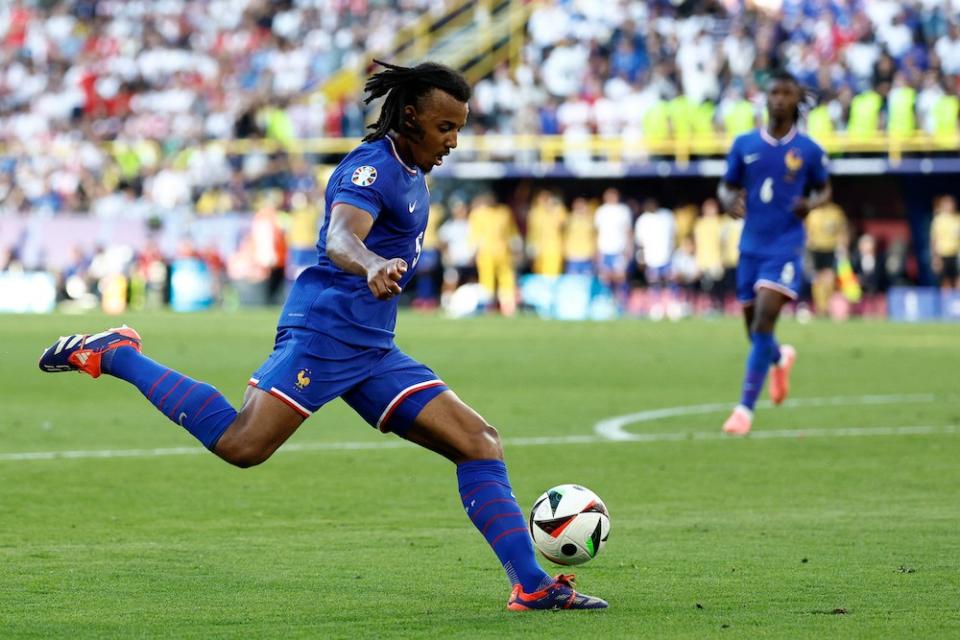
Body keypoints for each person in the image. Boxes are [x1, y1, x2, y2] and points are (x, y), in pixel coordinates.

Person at [38, 60, 606, 612]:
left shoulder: (413, 172)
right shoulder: (371, 168)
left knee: (479, 442)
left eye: (459, 126)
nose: (453, 139)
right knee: (242, 445)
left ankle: (531, 586)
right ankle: (117, 354)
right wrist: (369, 265)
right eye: (445, 126)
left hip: (373, 348)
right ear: (409, 117)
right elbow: (339, 236)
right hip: (325, 335)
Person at [717, 70, 832, 436]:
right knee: (754, 329)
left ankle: (743, 411)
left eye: (786, 93)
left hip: (785, 246)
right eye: (774, 93)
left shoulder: (810, 150)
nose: (779, 99)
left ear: (798, 100)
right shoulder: (744, 145)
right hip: (750, 245)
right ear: (766, 99)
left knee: (765, 318)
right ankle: (780, 358)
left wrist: (810, 203)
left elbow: (824, 189)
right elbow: (726, 185)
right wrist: (727, 202)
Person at [931, 195, 960, 289]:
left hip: (957, 254)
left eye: (951, 203)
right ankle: (946, 302)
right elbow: (934, 239)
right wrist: (936, 257)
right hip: (943, 253)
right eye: (947, 204)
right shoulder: (938, 220)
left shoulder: (958, 218)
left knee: (957, 279)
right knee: (945, 280)